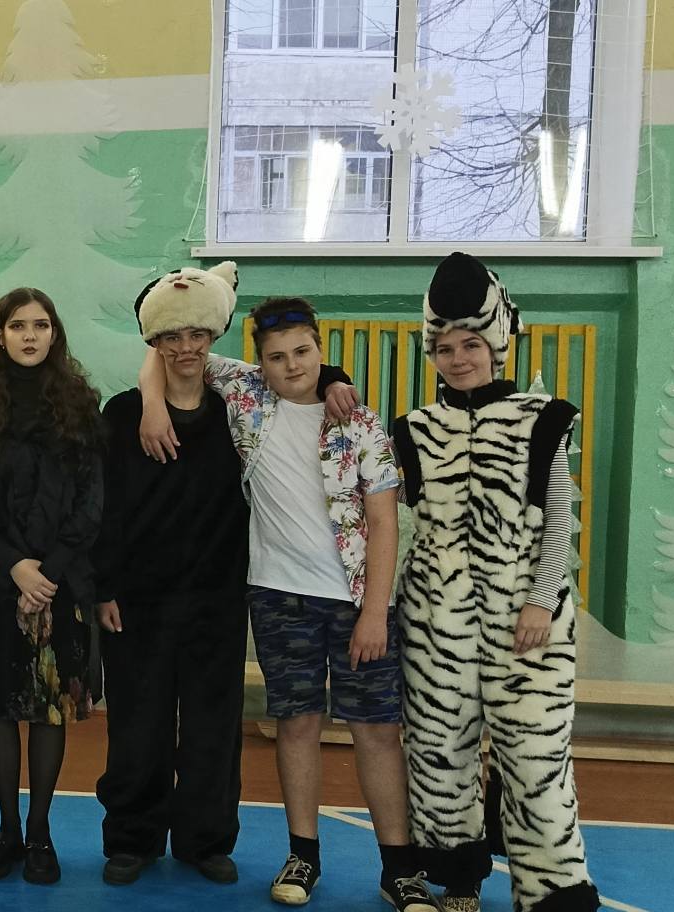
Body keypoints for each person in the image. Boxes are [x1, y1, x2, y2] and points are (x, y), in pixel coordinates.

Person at [165, 294, 441, 910]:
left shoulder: (360, 423)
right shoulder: (247, 398)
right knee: (296, 725)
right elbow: (169, 353)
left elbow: (384, 522)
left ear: (321, 349)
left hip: (357, 605)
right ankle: (302, 855)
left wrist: (375, 611)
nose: (292, 365)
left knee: (377, 731)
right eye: (276, 356)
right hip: (279, 598)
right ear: (258, 362)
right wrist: (154, 406)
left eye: (303, 352)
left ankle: (399, 868)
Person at [390, 253, 599, 912]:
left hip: (528, 622)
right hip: (436, 623)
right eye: (445, 347)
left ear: (497, 343)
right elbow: (402, 527)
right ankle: (459, 877)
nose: (458, 359)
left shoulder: (544, 418)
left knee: (536, 758)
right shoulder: (414, 430)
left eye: (471, 344)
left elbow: (559, 520)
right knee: (439, 755)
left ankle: (552, 892)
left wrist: (541, 601)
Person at [93, 265, 253, 889]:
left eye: (197, 335)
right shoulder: (122, 415)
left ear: (213, 336)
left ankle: (205, 839)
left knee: (214, 725)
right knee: (139, 724)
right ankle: (132, 837)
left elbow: (304, 376)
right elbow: (105, 507)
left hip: (217, 597)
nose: (186, 348)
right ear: (154, 343)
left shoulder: (239, 412)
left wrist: (338, 379)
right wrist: (104, 586)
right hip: (139, 599)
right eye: (172, 337)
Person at [0, 288, 102, 887]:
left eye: (40, 325)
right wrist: (15, 566)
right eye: (17, 326)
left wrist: (48, 572)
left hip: (60, 585)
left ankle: (39, 833)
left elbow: (90, 502)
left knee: (50, 706)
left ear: (54, 333)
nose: (30, 336)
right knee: (0, 706)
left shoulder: (81, 404)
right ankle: (7, 829)